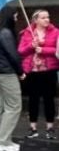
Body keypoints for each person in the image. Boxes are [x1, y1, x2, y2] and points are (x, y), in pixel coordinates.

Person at [0, 6, 25, 151]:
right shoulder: (6, 33)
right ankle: (3, 142)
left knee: (2, 106)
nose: (16, 18)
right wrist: (21, 71)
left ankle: (0, 139)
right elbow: (12, 55)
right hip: (7, 73)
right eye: (15, 15)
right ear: (9, 16)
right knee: (14, 106)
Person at [18, 9, 58, 139]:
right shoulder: (27, 32)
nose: (47, 19)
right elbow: (21, 51)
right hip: (32, 71)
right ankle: (33, 127)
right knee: (33, 99)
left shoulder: (56, 32)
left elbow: (57, 50)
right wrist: (31, 46)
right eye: (43, 17)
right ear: (35, 20)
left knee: (49, 99)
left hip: (49, 70)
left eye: (48, 17)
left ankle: (50, 127)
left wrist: (43, 50)